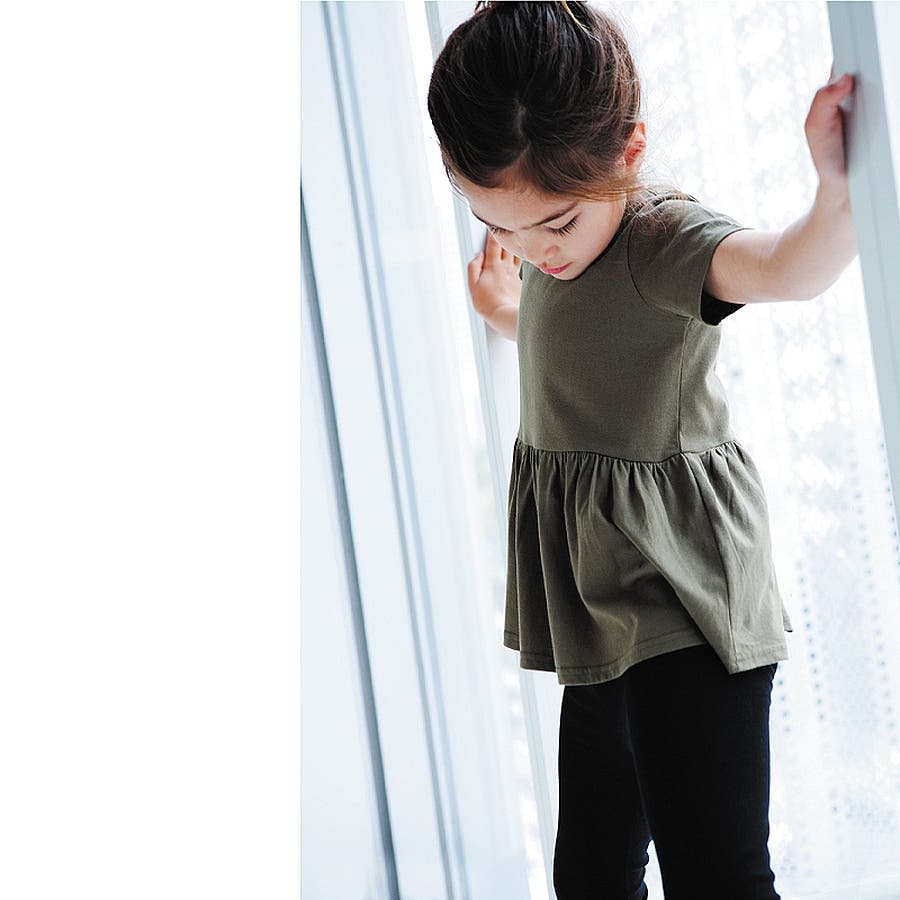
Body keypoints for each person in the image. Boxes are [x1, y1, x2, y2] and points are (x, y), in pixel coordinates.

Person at [427, 2, 858, 898]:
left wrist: (839, 190)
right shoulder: (556, 255)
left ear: (628, 154)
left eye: (552, 227)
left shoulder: (659, 241)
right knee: (589, 875)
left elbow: (790, 269)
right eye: (497, 227)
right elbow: (576, 340)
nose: (532, 252)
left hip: (683, 596)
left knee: (716, 876)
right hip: (601, 602)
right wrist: (505, 309)